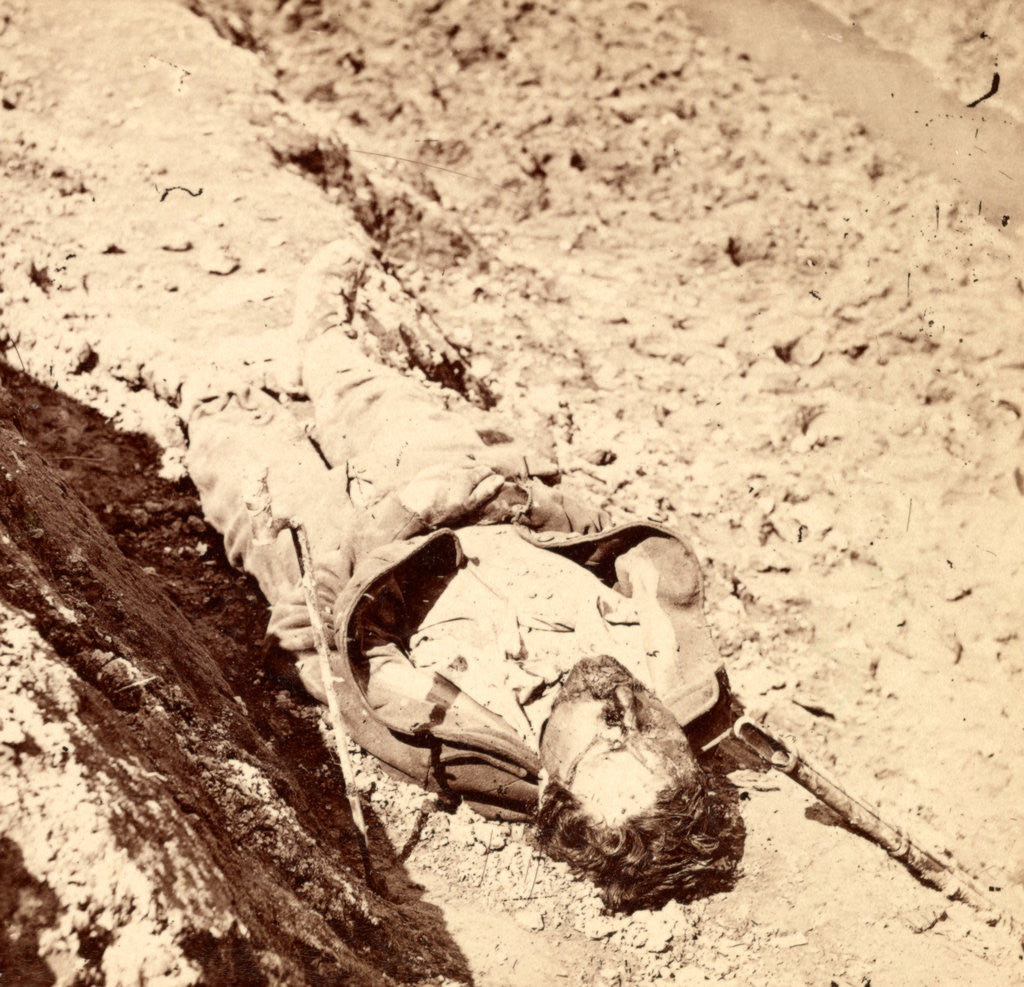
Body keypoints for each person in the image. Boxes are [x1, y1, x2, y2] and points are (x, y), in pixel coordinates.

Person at [185, 244, 744, 912]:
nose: (624, 709)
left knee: (233, 434)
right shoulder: (668, 667)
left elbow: (341, 649)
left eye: (608, 742)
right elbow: (601, 536)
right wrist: (517, 498)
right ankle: (321, 345)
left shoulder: (459, 740)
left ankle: (193, 389)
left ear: (552, 784)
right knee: (365, 392)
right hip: (466, 495)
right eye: (652, 735)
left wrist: (389, 524)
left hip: (345, 549)